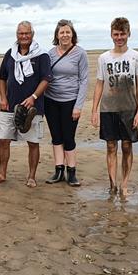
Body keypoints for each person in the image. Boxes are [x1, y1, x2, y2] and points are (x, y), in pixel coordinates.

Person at [90, 17, 138, 197]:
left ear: (128, 34)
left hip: (129, 109)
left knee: (127, 147)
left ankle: (124, 184)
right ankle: (112, 184)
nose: (119, 37)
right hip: (108, 108)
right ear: (111, 34)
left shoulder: (136, 57)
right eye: (116, 34)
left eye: (122, 34)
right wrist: (94, 110)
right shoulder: (103, 58)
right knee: (111, 146)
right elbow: (100, 83)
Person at [0, 21, 52, 186]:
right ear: (16, 35)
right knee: (4, 140)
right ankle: (2, 174)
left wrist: (33, 97)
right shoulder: (10, 54)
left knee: (33, 142)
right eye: (20, 33)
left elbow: (46, 79)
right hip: (9, 106)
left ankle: (31, 177)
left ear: (32, 34)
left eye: (27, 33)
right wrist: (3, 98)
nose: (24, 36)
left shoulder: (42, 55)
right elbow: (2, 78)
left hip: (33, 107)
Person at [44, 19, 89, 186]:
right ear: (57, 35)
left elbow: (84, 80)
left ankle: (72, 172)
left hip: (70, 101)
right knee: (56, 137)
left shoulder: (80, 53)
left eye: (67, 32)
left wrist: (78, 106)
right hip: (51, 100)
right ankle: (58, 170)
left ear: (73, 34)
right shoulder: (50, 54)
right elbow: (45, 76)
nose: (64, 35)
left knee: (68, 137)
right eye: (61, 32)